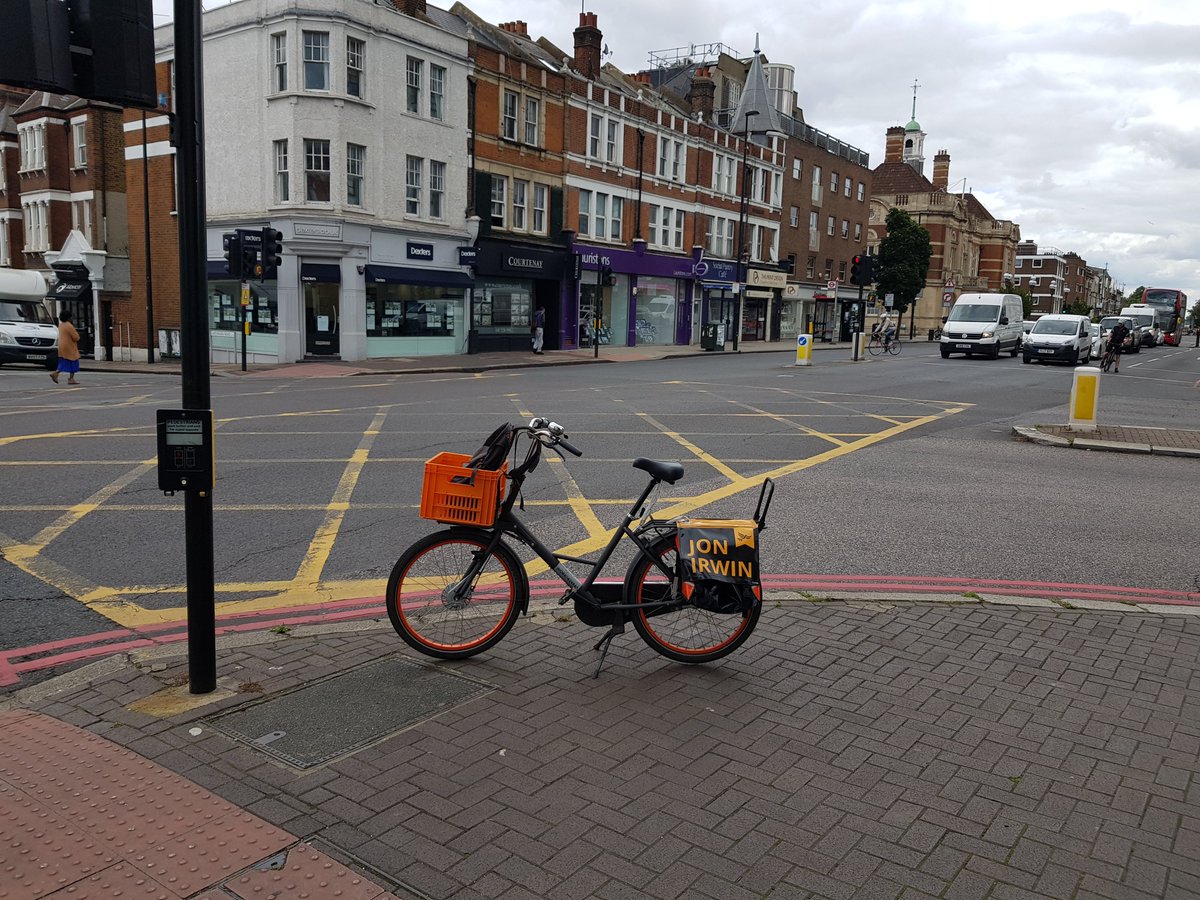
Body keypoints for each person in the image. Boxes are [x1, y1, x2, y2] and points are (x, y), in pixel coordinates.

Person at [51, 310, 81, 385]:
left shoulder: (61, 325)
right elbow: (76, 337)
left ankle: (56, 373)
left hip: (61, 346)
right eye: (71, 317)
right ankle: (71, 378)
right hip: (69, 346)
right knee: (74, 361)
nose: (72, 318)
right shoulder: (69, 326)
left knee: (63, 361)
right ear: (68, 318)